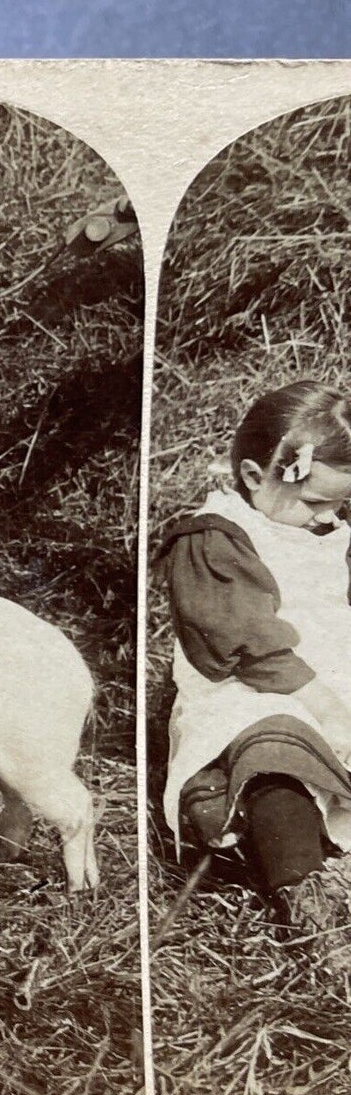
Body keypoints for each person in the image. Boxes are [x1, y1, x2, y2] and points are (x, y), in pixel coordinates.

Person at [158, 380, 351, 970]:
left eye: (340, 504)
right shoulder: (216, 538)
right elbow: (245, 643)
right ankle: (309, 896)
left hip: (334, 677)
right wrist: (328, 706)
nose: (328, 516)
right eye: (315, 503)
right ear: (251, 474)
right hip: (251, 691)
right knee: (274, 756)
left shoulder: (326, 527)